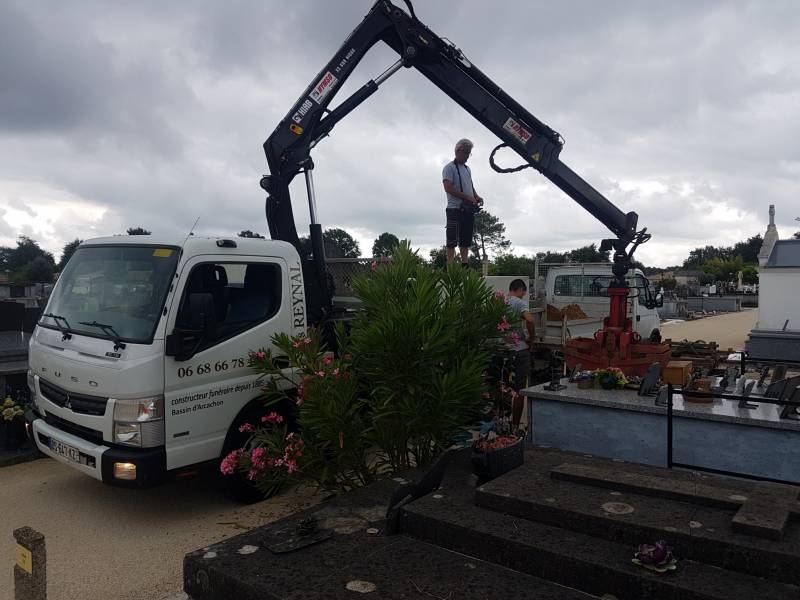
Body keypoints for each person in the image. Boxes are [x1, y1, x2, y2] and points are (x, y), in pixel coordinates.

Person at [442, 138, 483, 266]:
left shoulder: (467, 169)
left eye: (469, 153)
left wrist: (476, 196)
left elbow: (470, 186)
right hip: (455, 210)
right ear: (458, 151)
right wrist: (467, 197)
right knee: (451, 241)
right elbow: (448, 188)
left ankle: (465, 266)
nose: (467, 156)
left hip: (467, 210)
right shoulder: (449, 168)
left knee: (465, 241)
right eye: (466, 153)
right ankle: (450, 268)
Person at [505, 278, 535, 429]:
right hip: (519, 351)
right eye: (523, 293)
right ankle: (515, 426)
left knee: (503, 387)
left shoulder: (500, 301)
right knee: (519, 390)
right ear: (520, 290)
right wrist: (531, 338)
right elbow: (530, 319)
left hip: (502, 352)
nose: (522, 296)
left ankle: (501, 423)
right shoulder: (518, 302)